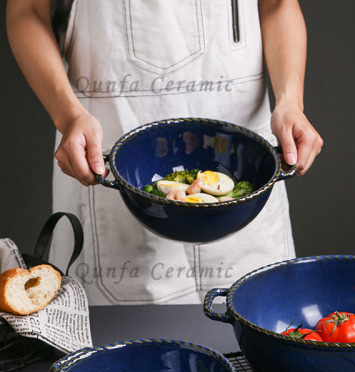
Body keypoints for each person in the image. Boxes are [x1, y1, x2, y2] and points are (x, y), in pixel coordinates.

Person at [6, 0, 323, 305]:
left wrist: (291, 101)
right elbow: (27, 9)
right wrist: (69, 116)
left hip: (242, 157)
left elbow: (278, 4)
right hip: (113, 146)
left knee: (254, 333)